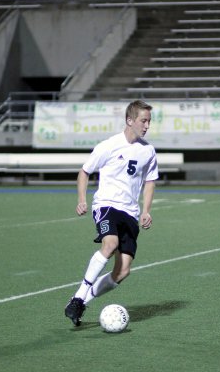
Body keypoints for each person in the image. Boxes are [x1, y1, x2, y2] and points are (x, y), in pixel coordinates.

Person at [65, 99, 158, 326]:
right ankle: (79, 295)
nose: (147, 126)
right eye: (143, 121)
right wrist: (81, 199)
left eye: (149, 121)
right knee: (110, 244)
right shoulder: (108, 145)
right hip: (106, 205)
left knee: (123, 271)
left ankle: (81, 303)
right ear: (129, 120)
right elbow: (84, 172)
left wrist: (146, 210)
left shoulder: (148, 151)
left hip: (130, 213)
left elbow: (150, 181)